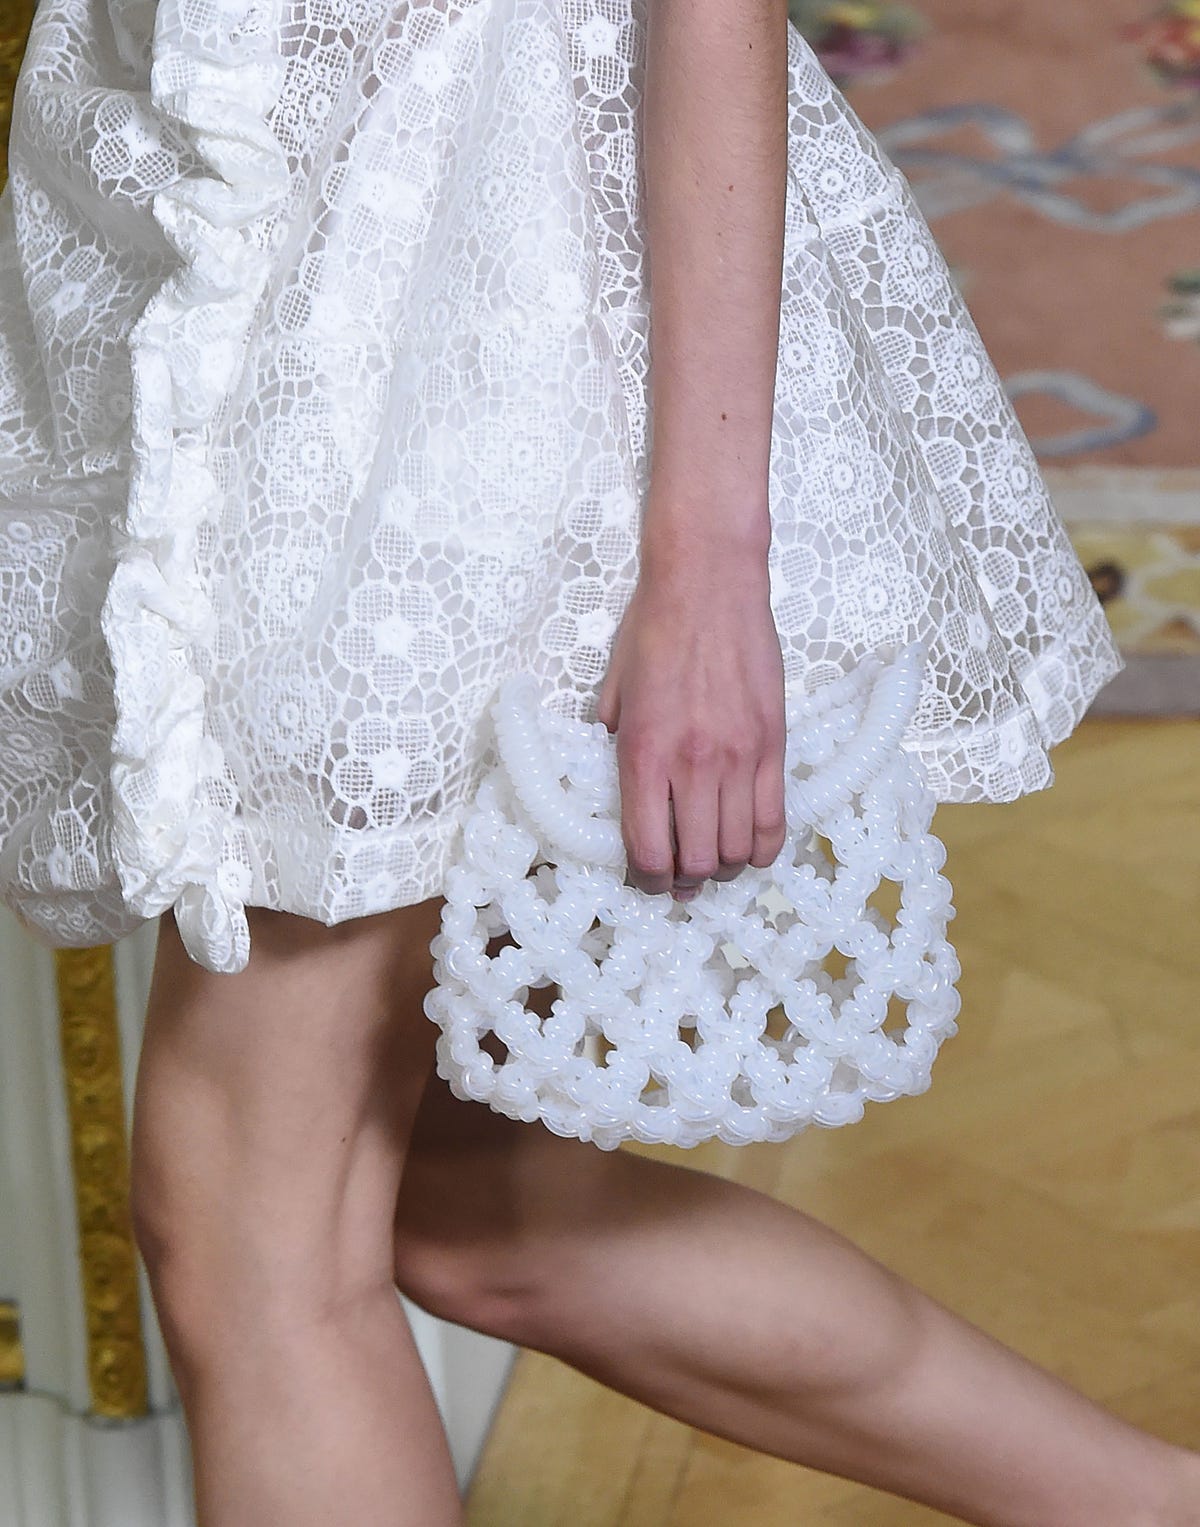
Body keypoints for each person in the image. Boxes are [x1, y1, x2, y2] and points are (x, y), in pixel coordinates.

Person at [1, 2, 1195, 1523]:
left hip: (447, 294)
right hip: (248, 221)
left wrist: (706, 566)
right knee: (462, 1206)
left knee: (251, 1234)